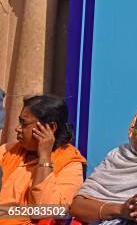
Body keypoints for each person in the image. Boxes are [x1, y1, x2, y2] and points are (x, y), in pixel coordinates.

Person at [0, 94, 87, 224]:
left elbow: (47, 210)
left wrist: (44, 156)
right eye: (20, 122)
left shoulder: (70, 164)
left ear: (50, 128)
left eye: (24, 124)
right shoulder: (8, 150)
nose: (17, 129)